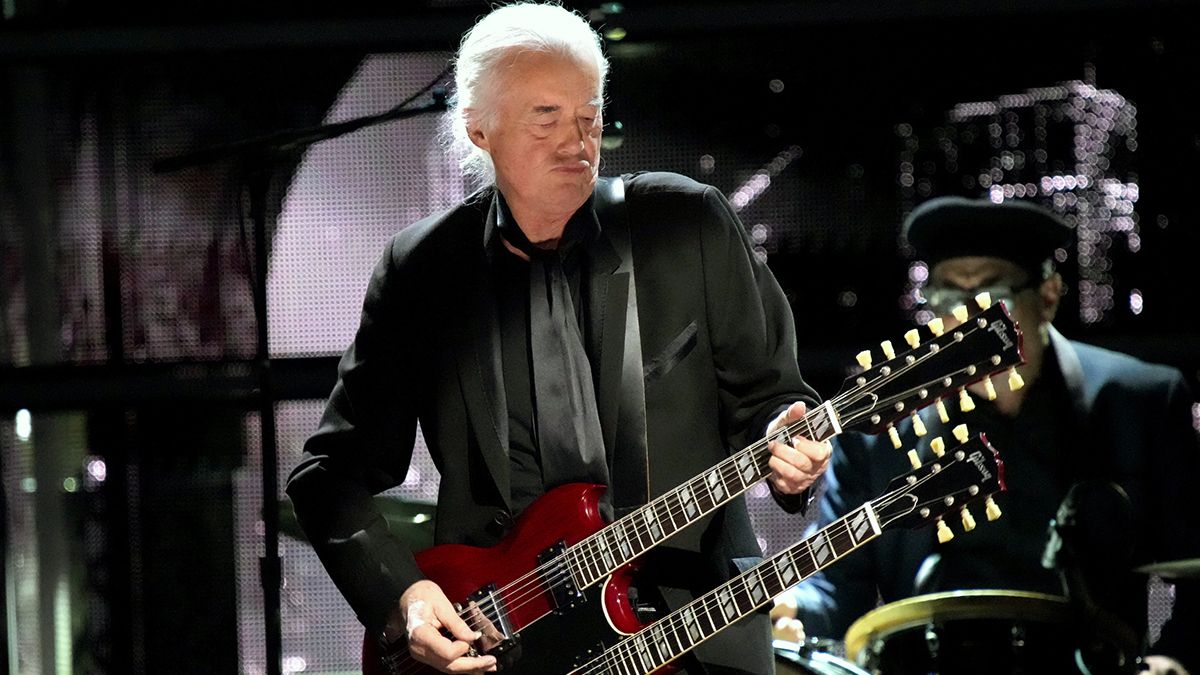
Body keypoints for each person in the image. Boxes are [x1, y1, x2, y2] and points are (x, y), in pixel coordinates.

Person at [286, 4, 830, 674]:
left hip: (695, 630)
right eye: (547, 116)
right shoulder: (423, 270)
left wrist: (791, 445)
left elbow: (774, 398)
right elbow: (329, 476)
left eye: (590, 115)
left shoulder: (687, 224)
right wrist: (405, 595)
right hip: (509, 643)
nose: (578, 141)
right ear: (478, 127)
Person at [774, 196, 1200, 674]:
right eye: (947, 298)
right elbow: (837, 588)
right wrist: (794, 612)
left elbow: (1194, 567)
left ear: (1048, 296)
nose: (967, 321)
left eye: (990, 298)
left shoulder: (1141, 400)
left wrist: (1174, 658)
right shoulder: (878, 428)